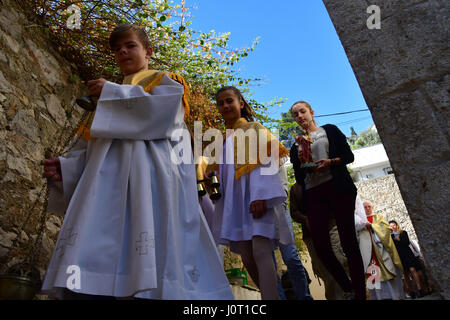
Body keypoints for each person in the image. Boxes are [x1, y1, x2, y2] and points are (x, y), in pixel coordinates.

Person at [41, 24, 234, 300]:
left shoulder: (165, 82)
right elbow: (96, 148)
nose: (122, 51)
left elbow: (162, 116)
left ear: (148, 52)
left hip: (151, 184)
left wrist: (111, 93)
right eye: (117, 49)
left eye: (130, 45)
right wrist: (67, 166)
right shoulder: (111, 96)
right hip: (106, 192)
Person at [206, 86, 292, 300]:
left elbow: (268, 162)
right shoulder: (223, 140)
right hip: (235, 203)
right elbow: (222, 174)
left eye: (229, 101)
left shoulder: (254, 128)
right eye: (220, 103)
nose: (225, 106)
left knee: (261, 251)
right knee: (246, 256)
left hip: (254, 197)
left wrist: (261, 196)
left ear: (240, 104)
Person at [289, 101, 366, 300]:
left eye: (303, 111)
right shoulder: (296, 144)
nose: (300, 116)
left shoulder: (328, 130)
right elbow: (299, 179)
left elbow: (348, 156)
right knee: (322, 248)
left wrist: (330, 162)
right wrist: (301, 159)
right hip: (314, 194)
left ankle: (358, 291)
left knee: (348, 242)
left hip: (337, 188)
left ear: (312, 112)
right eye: (296, 114)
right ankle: (347, 285)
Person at [273, 166, 313, 300]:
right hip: (257, 214)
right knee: (269, 264)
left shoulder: (273, 150)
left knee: (291, 257)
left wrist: (280, 206)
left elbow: (283, 185)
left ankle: (305, 297)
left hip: (279, 208)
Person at [357, 201, 404, 300]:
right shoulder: (359, 221)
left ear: (372, 207)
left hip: (381, 252)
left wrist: (373, 227)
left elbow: (386, 229)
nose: (367, 208)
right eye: (365, 207)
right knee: (373, 278)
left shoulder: (378, 217)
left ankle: (394, 297)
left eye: (369, 206)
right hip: (369, 254)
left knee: (388, 275)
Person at [389, 220, 425, 298]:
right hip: (399, 256)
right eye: (390, 226)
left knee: (412, 270)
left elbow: (406, 242)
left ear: (396, 225)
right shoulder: (390, 237)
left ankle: (420, 289)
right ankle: (412, 291)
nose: (392, 227)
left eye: (393, 225)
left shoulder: (403, 233)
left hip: (408, 254)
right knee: (405, 273)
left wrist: (397, 238)